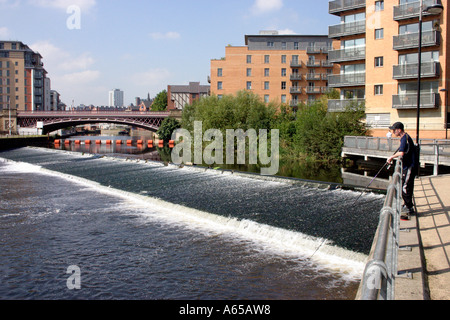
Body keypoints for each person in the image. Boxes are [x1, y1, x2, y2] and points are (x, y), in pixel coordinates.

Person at [386, 122, 418, 220]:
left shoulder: (405, 138)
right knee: (406, 185)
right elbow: (402, 149)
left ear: (399, 130)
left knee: (405, 186)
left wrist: (391, 157)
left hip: (409, 166)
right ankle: (407, 205)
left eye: (394, 130)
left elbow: (402, 152)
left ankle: (408, 207)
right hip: (408, 166)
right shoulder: (405, 137)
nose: (393, 131)